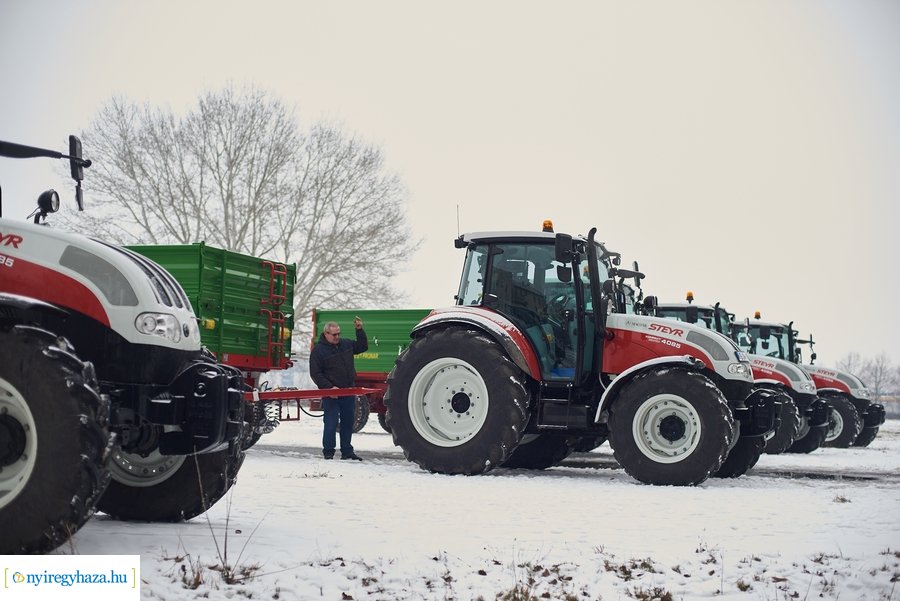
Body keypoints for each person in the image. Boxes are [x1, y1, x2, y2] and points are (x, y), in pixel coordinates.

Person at [309, 317, 368, 460]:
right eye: (334, 334)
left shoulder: (346, 344)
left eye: (338, 334)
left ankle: (347, 451)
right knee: (331, 423)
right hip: (331, 394)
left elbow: (362, 347)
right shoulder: (318, 351)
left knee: (348, 422)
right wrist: (330, 388)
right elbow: (315, 373)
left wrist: (359, 330)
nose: (337, 337)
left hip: (348, 391)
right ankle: (328, 452)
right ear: (326, 334)